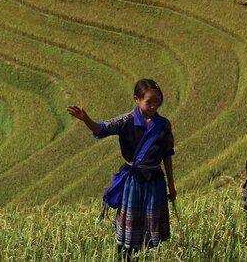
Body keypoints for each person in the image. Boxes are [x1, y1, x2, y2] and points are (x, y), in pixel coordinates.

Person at [67, 79, 176, 259]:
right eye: (149, 101)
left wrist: (171, 185)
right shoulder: (126, 121)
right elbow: (101, 128)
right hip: (134, 180)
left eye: (157, 101)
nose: (154, 105)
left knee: (151, 230)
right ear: (137, 99)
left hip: (155, 180)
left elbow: (167, 155)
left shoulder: (164, 125)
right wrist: (86, 119)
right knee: (130, 233)